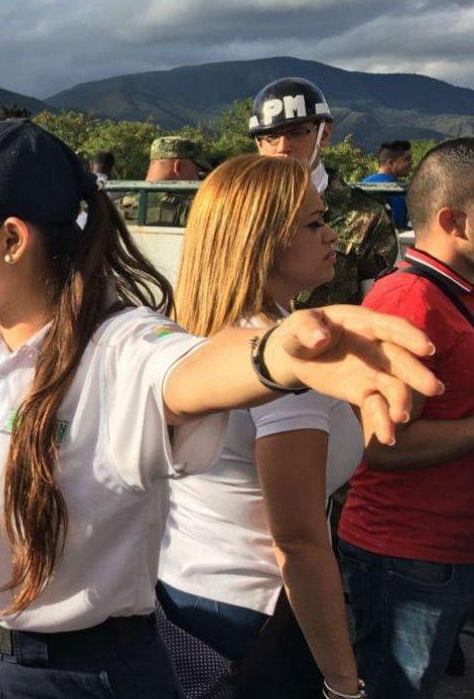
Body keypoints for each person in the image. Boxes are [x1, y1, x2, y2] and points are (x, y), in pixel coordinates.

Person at [0, 120, 441, 699]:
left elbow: (184, 374)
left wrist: (274, 356)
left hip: (64, 674)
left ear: (12, 240)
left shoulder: (118, 346)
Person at [161, 154, 363, 697]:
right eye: (315, 223)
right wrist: (344, 684)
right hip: (258, 616)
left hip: (182, 591)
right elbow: (297, 540)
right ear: (263, 241)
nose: (332, 235)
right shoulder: (284, 367)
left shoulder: (192, 337)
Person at [339, 137, 474, 699]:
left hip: (441, 552)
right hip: (407, 559)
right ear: (454, 220)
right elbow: (382, 442)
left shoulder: (456, 291)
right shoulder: (409, 301)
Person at [249, 77, 399, 309]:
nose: (282, 146)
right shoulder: (242, 210)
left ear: (325, 135)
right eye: (271, 136)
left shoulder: (368, 216)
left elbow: (381, 312)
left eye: (297, 132)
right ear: (259, 145)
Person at [116, 136, 200, 227]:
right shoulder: (194, 211)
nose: (198, 178)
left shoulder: (114, 207)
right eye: (197, 171)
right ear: (178, 167)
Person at [361, 140, 412, 228]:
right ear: (391, 163)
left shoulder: (363, 183)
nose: (411, 163)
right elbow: (398, 222)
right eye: (407, 159)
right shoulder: (397, 189)